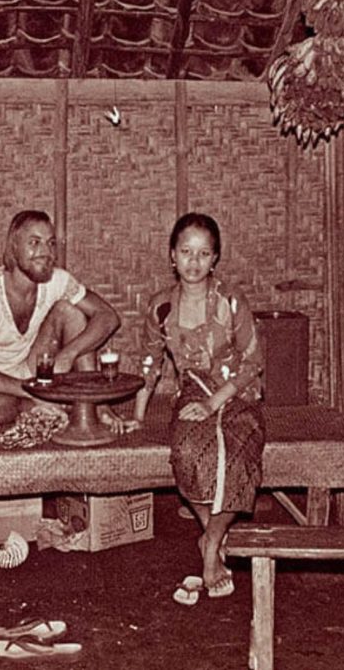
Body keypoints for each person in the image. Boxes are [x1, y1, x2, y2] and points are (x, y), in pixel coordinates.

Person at [120, 213, 265, 602]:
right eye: (186, 252)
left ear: (215, 259)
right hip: (192, 393)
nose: (194, 262)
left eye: (204, 253)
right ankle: (213, 539)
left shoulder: (231, 302)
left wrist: (215, 402)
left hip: (237, 395)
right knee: (186, 453)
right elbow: (150, 364)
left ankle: (209, 544)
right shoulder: (161, 307)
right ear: (172, 255)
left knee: (235, 455)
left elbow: (254, 362)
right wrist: (137, 417)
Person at [0, 210, 121, 428]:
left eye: (51, 243)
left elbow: (108, 316)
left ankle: (95, 405)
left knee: (70, 312)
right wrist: (32, 391)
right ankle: (42, 405)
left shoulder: (57, 280)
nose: (45, 252)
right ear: (13, 247)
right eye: (34, 242)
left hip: (34, 370)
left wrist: (70, 354)